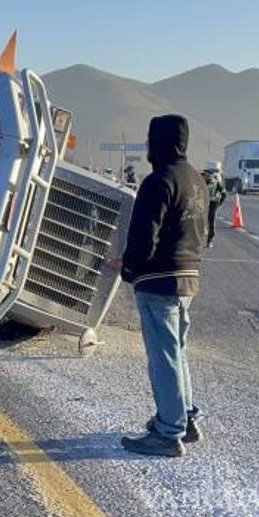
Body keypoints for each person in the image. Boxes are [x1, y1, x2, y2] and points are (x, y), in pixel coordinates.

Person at [111, 114, 208, 457]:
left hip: (158, 281)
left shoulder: (158, 181)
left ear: (157, 142)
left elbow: (142, 238)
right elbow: (204, 233)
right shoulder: (197, 181)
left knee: (163, 357)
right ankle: (187, 417)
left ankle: (168, 433)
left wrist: (129, 269)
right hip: (188, 278)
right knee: (177, 352)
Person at [202, 169, 226, 248]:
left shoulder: (216, 183)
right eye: (203, 175)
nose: (204, 176)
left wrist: (219, 203)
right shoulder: (201, 182)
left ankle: (210, 241)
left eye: (205, 175)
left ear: (210, 176)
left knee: (211, 223)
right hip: (202, 204)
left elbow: (224, 194)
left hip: (213, 204)